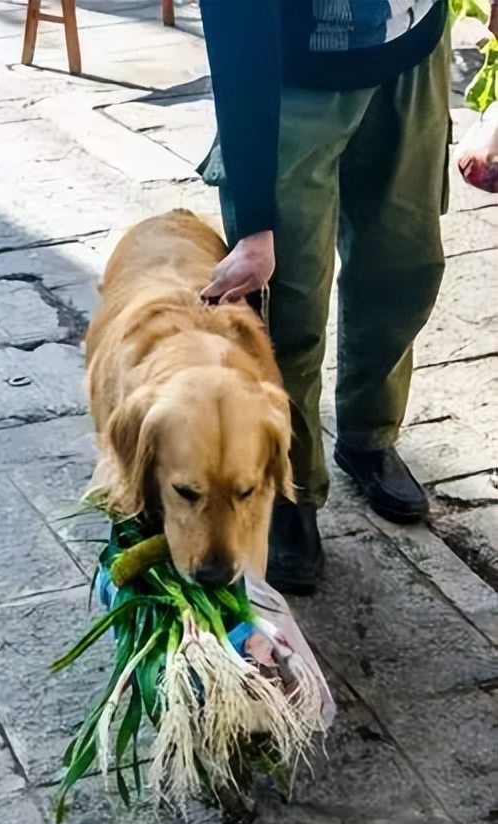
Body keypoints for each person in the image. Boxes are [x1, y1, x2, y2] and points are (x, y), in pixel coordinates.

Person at [198, 0, 454, 595]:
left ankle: (369, 435)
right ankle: (292, 489)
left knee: (403, 264)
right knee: (286, 310)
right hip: (297, 75)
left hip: (412, 50)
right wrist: (256, 223)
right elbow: (235, 29)